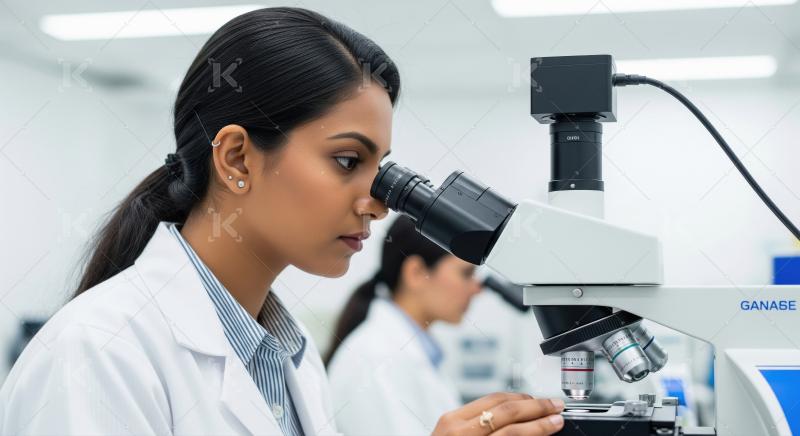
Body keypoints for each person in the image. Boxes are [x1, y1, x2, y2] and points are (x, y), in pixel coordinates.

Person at [0, 7, 565, 436]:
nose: (379, 201)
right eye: (347, 160)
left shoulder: (288, 360)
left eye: (380, 167)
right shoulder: (97, 353)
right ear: (237, 159)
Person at [326, 215, 482, 434]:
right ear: (416, 273)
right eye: (466, 273)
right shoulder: (376, 359)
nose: (477, 288)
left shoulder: (416, 355)